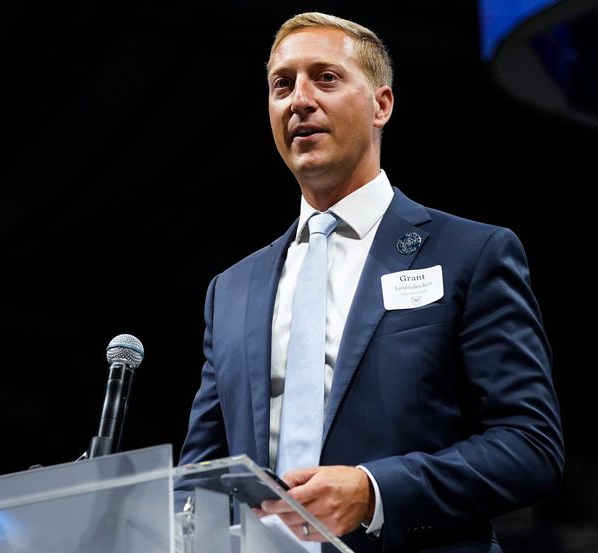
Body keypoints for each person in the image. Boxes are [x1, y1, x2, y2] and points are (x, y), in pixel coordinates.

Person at [177, 11, 564, 553]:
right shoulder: (232, 290)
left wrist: (375, 490)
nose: (299, 100)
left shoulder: (470, 253)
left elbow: (530, 447)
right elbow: (200, 477)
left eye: (326, 78)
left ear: (381, 104)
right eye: (281, 85)